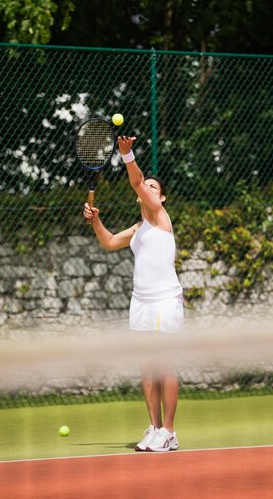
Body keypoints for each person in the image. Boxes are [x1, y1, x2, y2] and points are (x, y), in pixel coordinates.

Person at [83, 134, 183, 453]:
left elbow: (137, 181)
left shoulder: (160, 218)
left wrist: (127, 155)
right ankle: (154, 428)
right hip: (139, 302)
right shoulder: (139, 229)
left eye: (154, 188)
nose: (148, 190)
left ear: (161, 199)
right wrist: (96, 221)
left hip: (165, 300)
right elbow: (110, 242)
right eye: (147, 187)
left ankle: (169, 431)